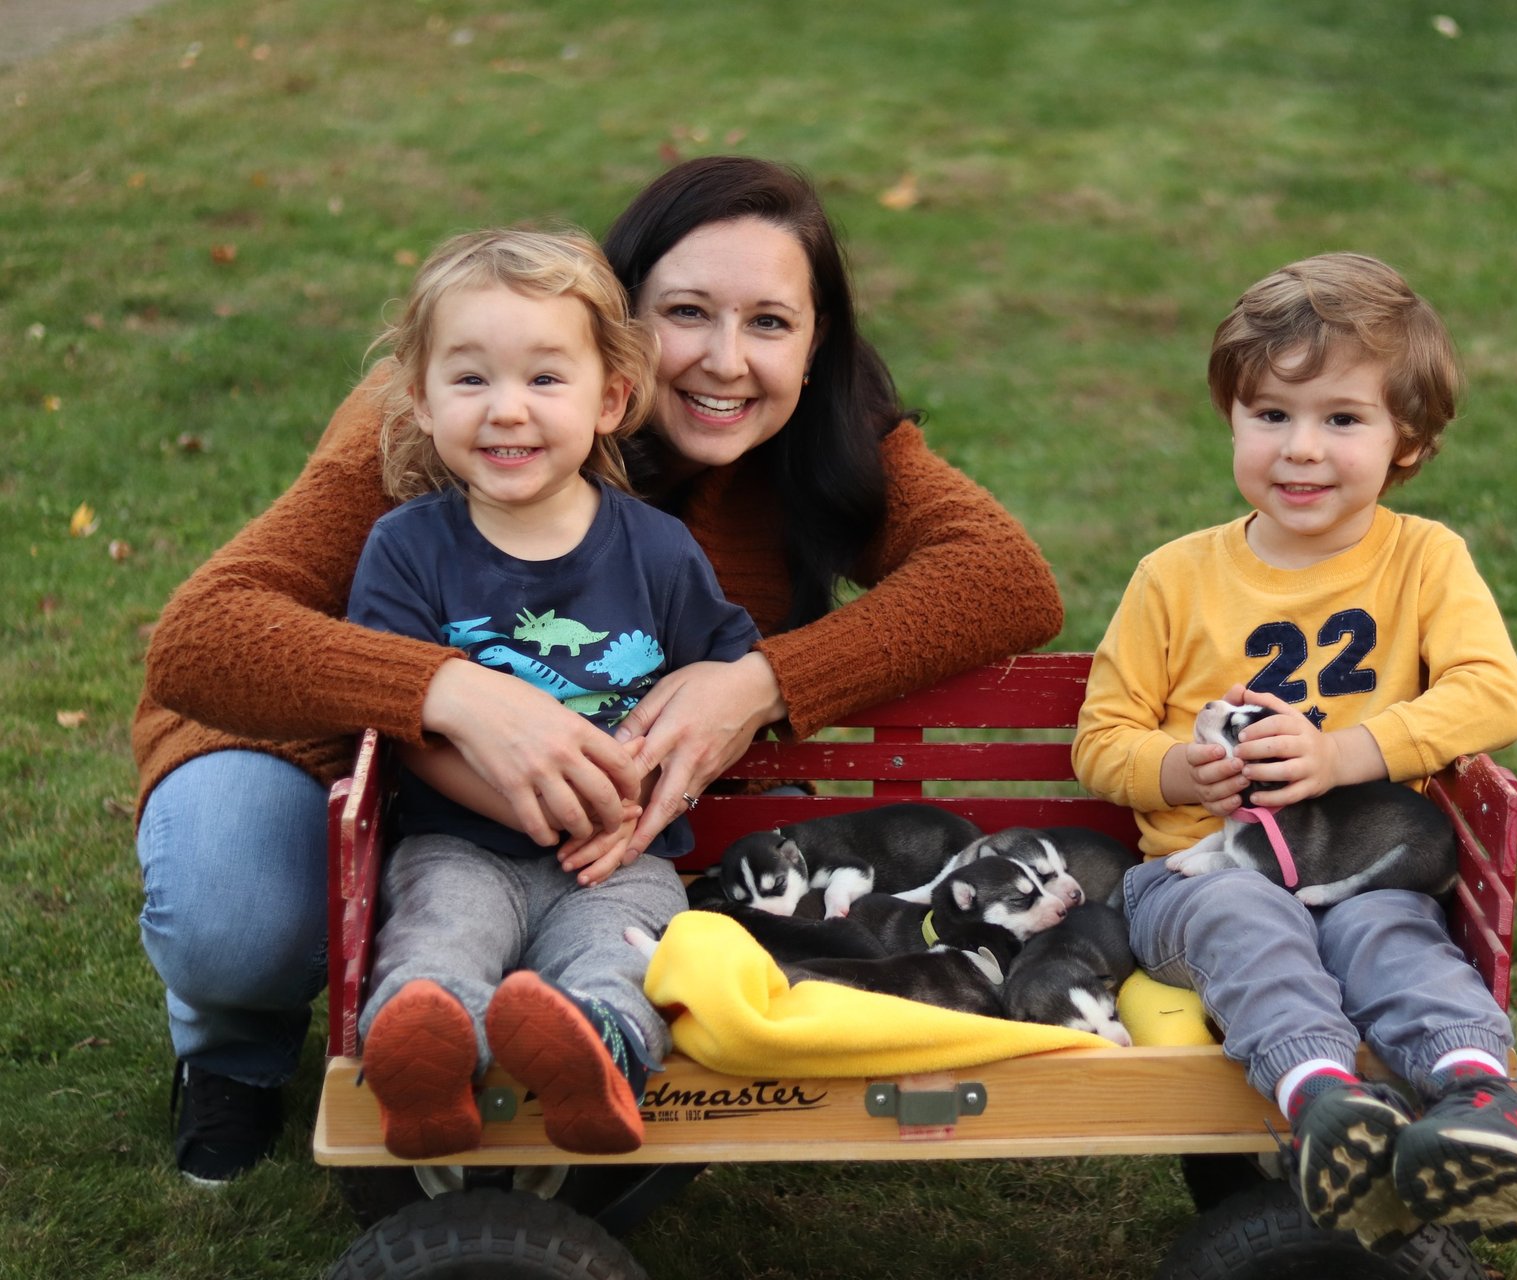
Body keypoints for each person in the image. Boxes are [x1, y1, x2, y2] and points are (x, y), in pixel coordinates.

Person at [133, 156, 1064, 1183]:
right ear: (617, 322)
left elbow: (1004, 578)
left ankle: (578, 1038)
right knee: (242, 918)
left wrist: (757, 681)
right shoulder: (459, 410)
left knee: (609, 924)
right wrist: (454, 692)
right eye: (687, 312)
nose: (724, 360)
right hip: (324, 746)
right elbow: (202, 634)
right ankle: (235, 1051)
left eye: (769, 322)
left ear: (816, 342)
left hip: (598, 830)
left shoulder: (824, 435)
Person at [1071, 253, 1517, 1248]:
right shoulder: (1175, 577)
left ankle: (1483, 1106)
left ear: (1410, 442)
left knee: (1396, 939)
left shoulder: (1423, 559)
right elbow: (1102, 737)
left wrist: (1345, 753)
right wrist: (1179, 768)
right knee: (1247, 924)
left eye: (1341, 419)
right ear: (1232, 418)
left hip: (1353, 862)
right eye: (1271, 415)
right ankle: (1328, 1112)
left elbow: (1494, 694)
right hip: (1196, 873)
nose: (1300, 450)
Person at [344, 226, 760, 1158]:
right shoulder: (409, 550)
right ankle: (424, 1066)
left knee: (623, 958)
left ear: (611, 398)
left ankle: (593, 1057)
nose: (507, 412)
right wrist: (523, 805)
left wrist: (658, 777)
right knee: (436, 945)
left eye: (544, 379)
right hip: (460, 846)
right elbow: (406, 721)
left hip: (621, 859)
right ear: (420, 397)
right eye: (470, 379)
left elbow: (726, 675)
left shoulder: (655, 549)